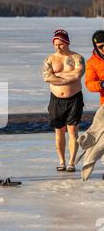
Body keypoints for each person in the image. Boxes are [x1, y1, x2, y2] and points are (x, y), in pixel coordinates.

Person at [43, 29, 85, 172]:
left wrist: (59, 76)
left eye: (60, 44)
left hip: (74, 99)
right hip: (56, 100)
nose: (58, 47)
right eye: (55, 44)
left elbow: (78, 74)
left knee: (73, 131)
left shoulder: (77, 58)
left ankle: (72, 162)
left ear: (67, 43)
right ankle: (62, 161)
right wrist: (67, 77)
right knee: (59, 131)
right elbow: (47, 77)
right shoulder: (49, 59)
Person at [85, 30, 104, 104]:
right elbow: (89, 84)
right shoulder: (92, 62)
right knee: (98, 116)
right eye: (100, 47)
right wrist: (101, 84)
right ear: (96, 47)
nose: (103, 48)